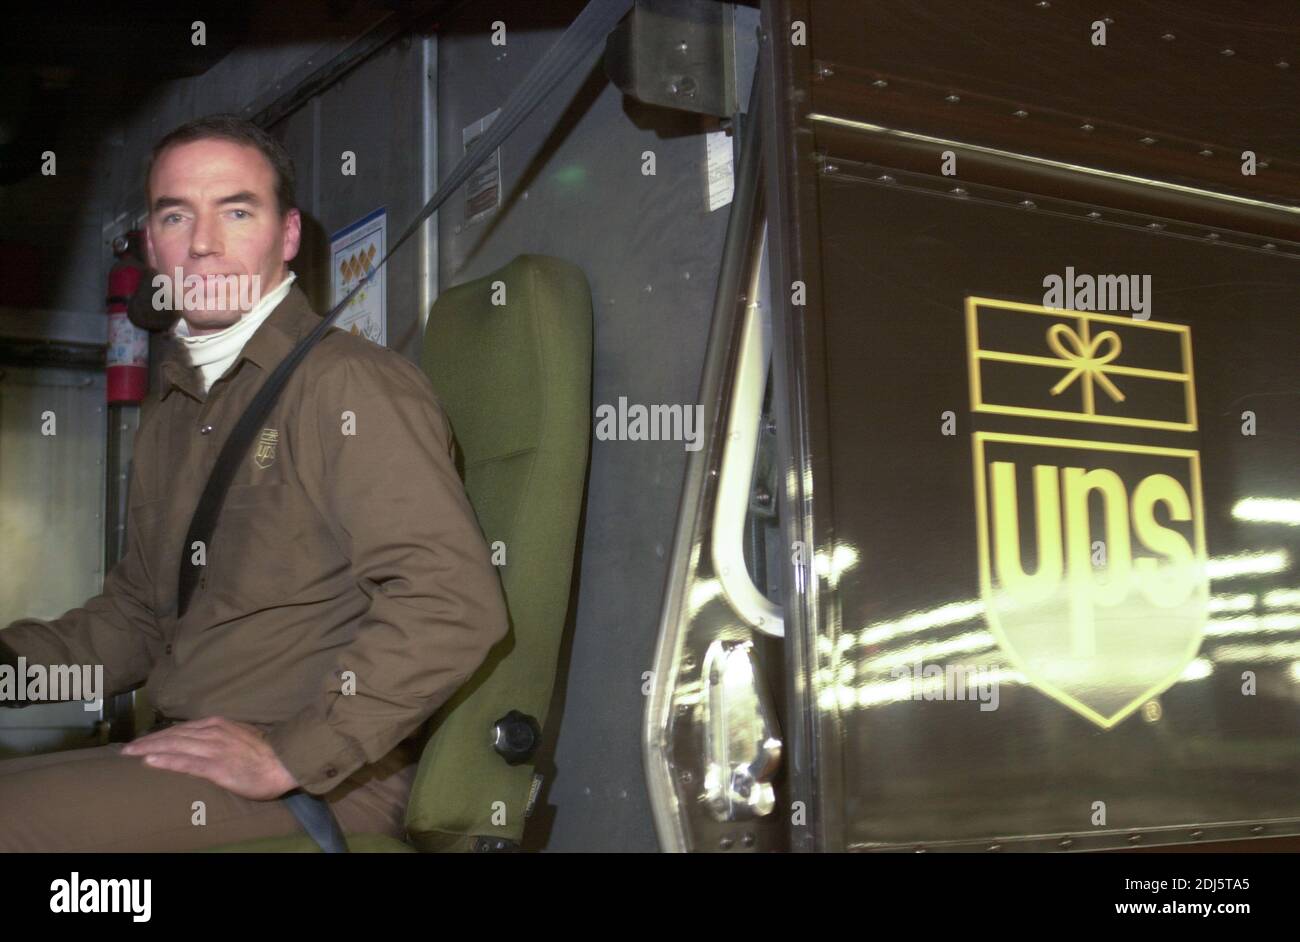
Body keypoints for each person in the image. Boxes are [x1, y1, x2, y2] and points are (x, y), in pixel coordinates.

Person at [0, 114, 509, 851]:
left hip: (332, 776)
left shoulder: (348, 388)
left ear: (289, 237)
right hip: (190, 755)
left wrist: (289, 754)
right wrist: (11, 673)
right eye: (177, 215)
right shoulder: (175, 408)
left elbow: (450, 602)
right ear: (152, 245)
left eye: (236, 211)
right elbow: (138, 619)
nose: (203, 242)